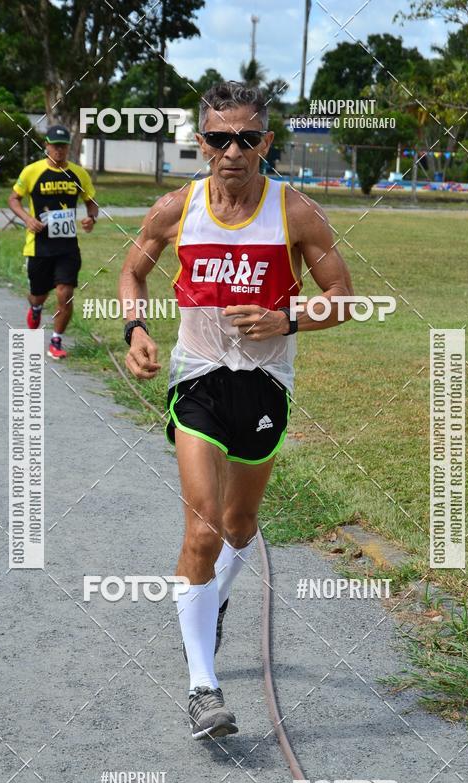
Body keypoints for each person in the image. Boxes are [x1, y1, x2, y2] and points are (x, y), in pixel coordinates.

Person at [119, 81, 354, 741]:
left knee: (239, 525)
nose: (232, 151)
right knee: (201, 531)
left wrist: (286, 317)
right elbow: (132, 272)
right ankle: (203, 687)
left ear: (266, 143)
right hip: (197, 379)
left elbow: (342, 296)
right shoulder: (176, 207)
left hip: (264, 386)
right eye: (219, 138)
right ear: (203, 143)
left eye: (246, 138)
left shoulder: (296, 213)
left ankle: (210, 603)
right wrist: (134, 328)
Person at [8, 124, 98, 359]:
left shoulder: (78, 173)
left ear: (68, 147)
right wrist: (28, 219)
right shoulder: (31, 171)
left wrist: (91, 218)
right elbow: (13, 199)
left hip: (67, 246)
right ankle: (36, 308)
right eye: (54, 145)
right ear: (46, 146)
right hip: (38, 245)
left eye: (63, 146)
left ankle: (56, 340)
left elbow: (91, 202)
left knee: (64, 292)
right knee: (38, 294)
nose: (58, 150)